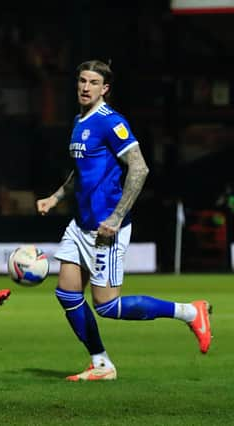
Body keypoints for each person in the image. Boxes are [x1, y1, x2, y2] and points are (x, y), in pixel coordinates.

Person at [35, 59, 212, 381]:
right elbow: (82, 172)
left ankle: (189, 311)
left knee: (106, 306)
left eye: (93, 83)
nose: (85, 87)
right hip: (81, 224)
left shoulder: (110, 121)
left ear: (105, 89)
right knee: (67, 293)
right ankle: (101, 364)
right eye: (82, 81)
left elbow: (140, 167)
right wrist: (56, 197)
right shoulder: (79, 120)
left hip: (106, 228)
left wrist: (116, 218)